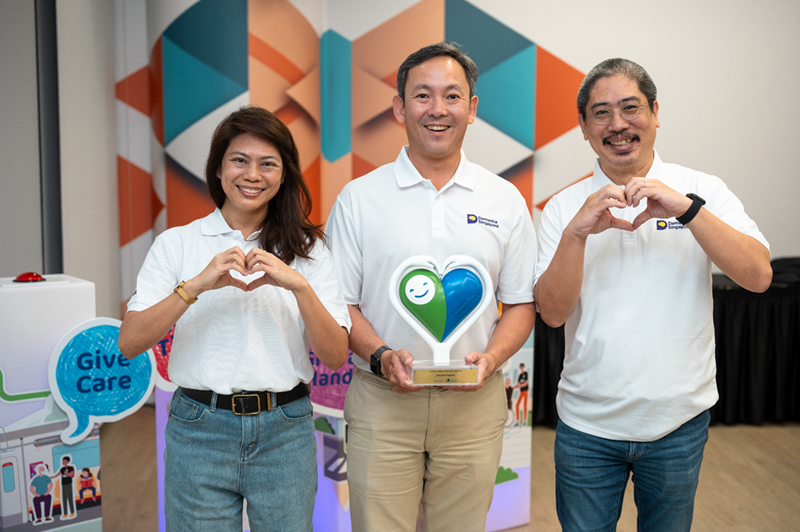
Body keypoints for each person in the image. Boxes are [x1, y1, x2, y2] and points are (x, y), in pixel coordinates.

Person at [534, 58, 772, 531]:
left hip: (677, 423)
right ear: (583, 127)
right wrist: (577, 234)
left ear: (656, 112)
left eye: (631, 108)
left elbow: (758, 276)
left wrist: (687, 210)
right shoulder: (563, 207)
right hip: (586, 425)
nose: (618, 124)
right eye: (601, 113)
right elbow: (554, 314)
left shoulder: (702, 188)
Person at [326, 42, 536, 532]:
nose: (437, 110)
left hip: (473, 402)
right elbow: (342, 303)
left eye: (452, 96)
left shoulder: (504, 199)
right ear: (399, 107)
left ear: (472, 108)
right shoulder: (359, 199)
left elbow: (522, 303)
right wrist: (380, 354)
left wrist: (491, 358)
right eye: (422, 96)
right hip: (382, 402)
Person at [118, 106, 351, 532]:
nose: (252, 174)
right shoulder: (177, 244)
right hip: (198, 429)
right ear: (219, 169)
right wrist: (197, 285)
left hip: (286, 429)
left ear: (284, 175)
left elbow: (335, 356)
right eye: (239, 160)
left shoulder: (310, 251)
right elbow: (130, 342)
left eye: (268, 164)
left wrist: (298, 285)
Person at [51, 455, 76, 520]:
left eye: (64, 461)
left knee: (70, 498)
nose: (63, 462)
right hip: (63, 484)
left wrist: (66, 473)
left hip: (69, 484)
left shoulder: (71, 467)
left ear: (67, 461)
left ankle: (72, 512)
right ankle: (65, 514)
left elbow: (71, 475)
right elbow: (58, 474)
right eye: (62, 461)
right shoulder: (62, 468)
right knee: (64, 498)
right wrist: (53, 477)